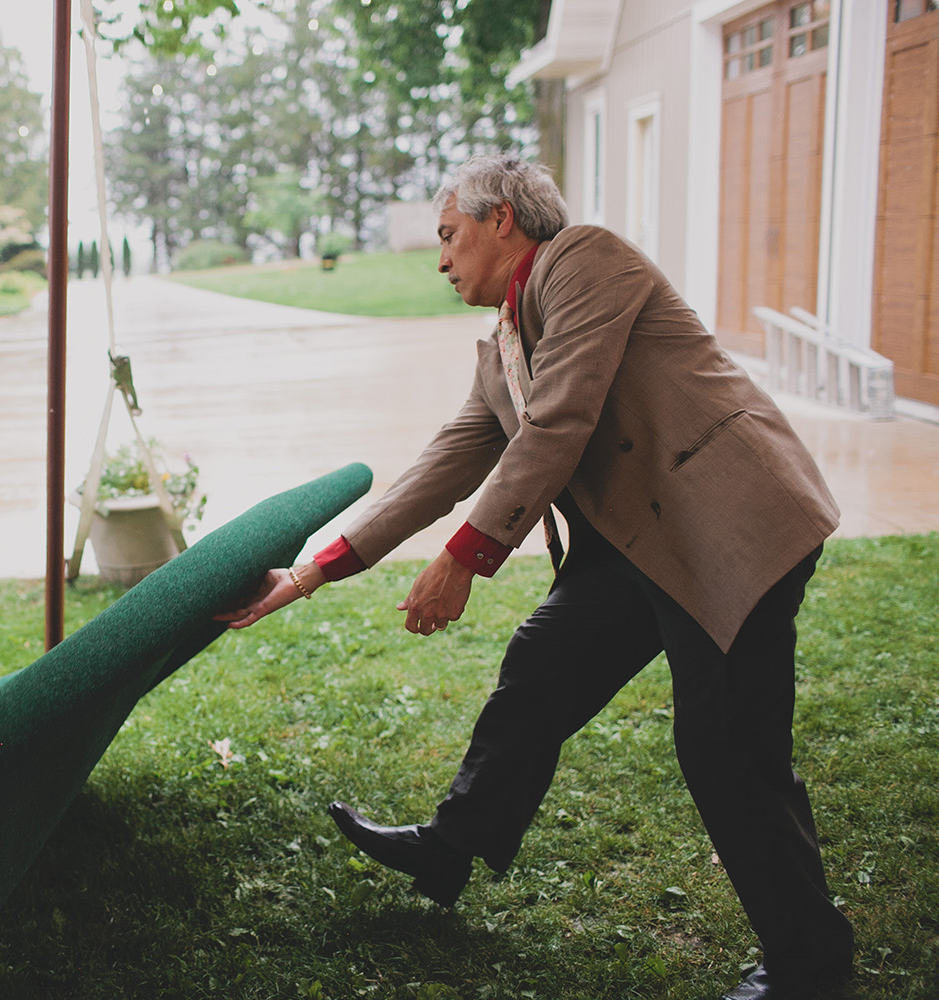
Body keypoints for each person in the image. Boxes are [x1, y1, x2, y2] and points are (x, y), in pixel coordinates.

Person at [218, 154, 852, 1000]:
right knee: (541, 670)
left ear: (503, 219)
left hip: (726, 522)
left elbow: (558, 422)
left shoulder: (588, 260)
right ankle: (449, 850)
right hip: (638, 544)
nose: (440, 259)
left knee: (729, 750)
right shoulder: (502, 348)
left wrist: (465, 557)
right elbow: (439, 468)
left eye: (449, 236)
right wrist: (308, 575)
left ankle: (812, 965)